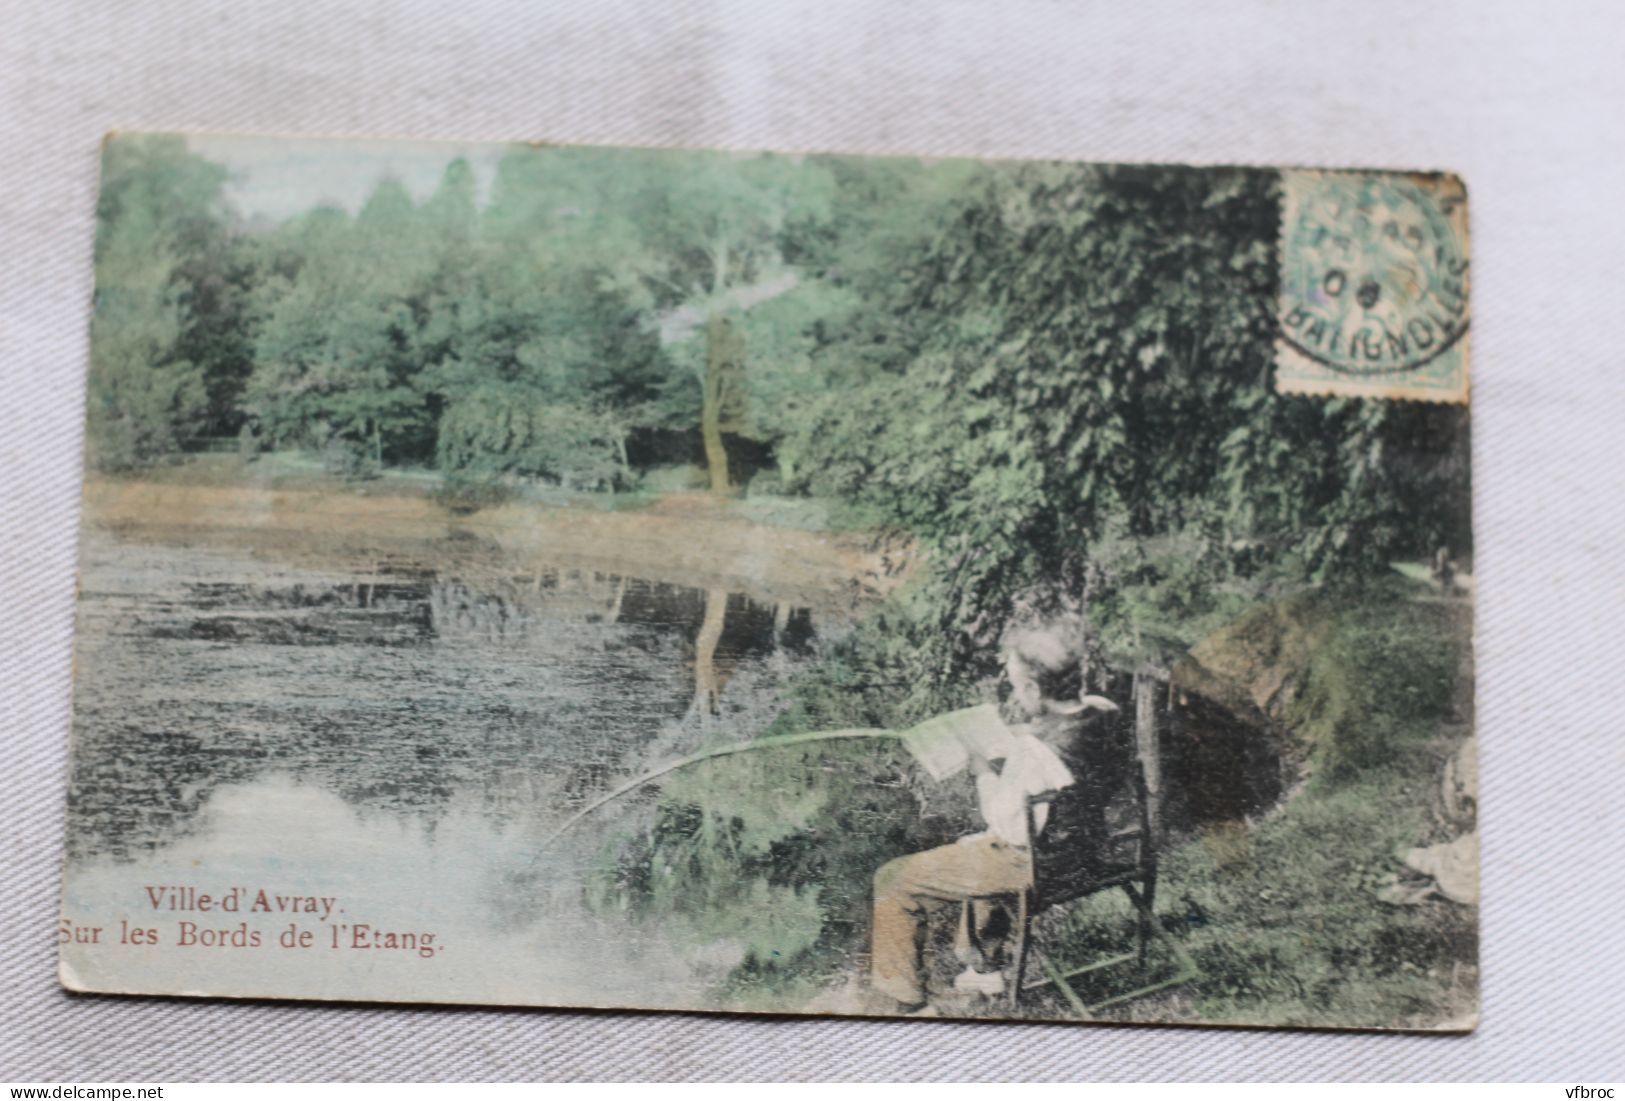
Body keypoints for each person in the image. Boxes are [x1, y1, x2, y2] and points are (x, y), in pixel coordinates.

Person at [868, 693, 1118, 1012]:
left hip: (1037, 866)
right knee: (973, 847)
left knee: (892, 879)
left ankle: (909, 1004)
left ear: (1030, 684)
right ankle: (983, 966)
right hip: (1083, 855)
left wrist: (983, 771)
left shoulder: (1035, 751)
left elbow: (1005, 824)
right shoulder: (1103, 715)